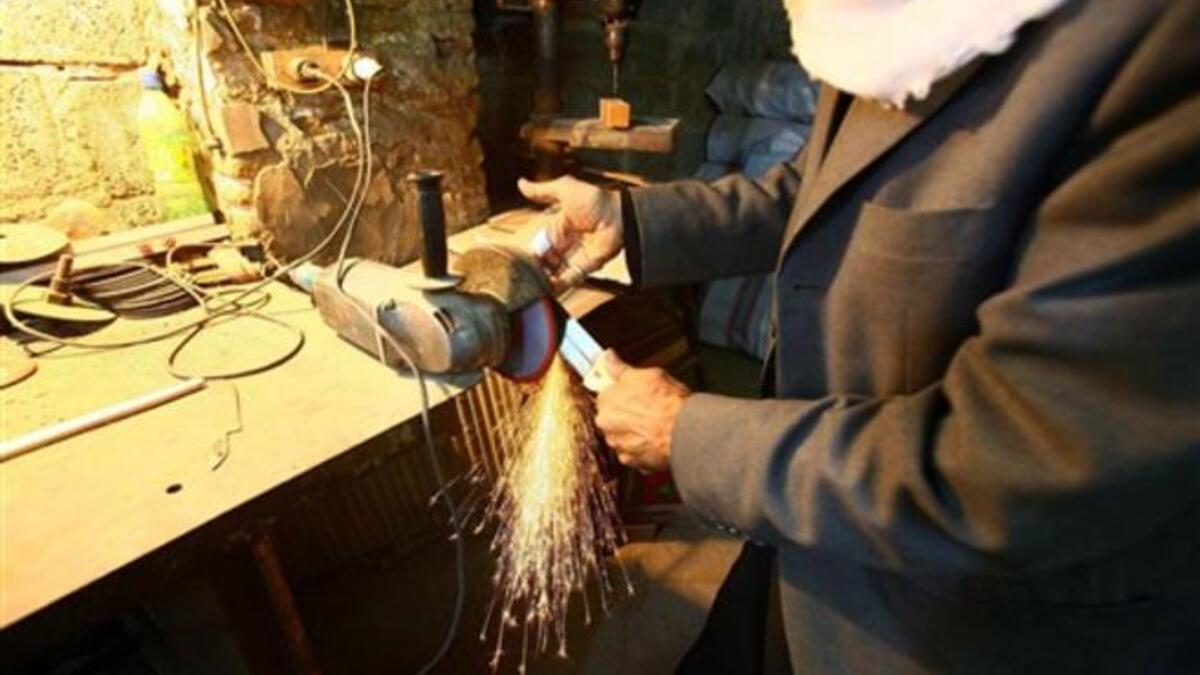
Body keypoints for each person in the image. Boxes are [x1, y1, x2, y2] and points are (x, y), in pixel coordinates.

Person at [518, 0, 1200, 673]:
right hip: (812, 543)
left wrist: (688, 435)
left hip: (958, 623)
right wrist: (634, 221)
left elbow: (1010, 465)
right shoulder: (876, 25)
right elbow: (822, 189)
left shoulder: (1157, 49)